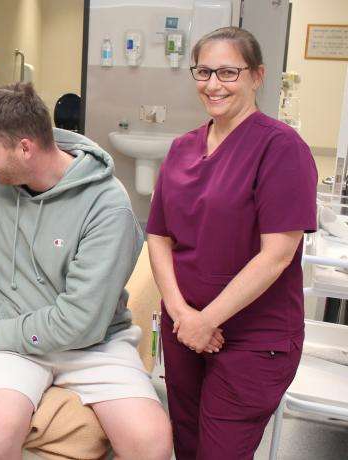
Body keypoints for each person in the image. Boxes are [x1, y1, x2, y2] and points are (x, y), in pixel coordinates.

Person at [0, 82, 173, 460]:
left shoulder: (107, 206)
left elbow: (80, 321)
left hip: (89, 343)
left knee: (152, 443)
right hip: (9, 331)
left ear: (25, 148)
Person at [146, 27, 317, 459]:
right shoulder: (182, 148)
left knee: (221, 451)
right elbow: (158, 235)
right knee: (185, 441)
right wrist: (183, 314)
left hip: (253, 337)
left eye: (228, 72)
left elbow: (277, 255)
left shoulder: (281, 148)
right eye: (204, 71)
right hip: (184, 328)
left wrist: (207, 320)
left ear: (257, 76)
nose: (213, 84)